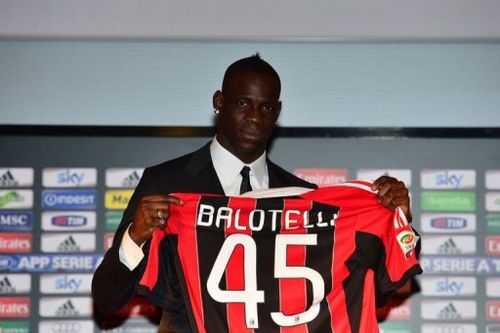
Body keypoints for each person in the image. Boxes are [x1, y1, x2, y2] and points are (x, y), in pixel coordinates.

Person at [92, 54, 412, 333]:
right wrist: (135, 238)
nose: (255, 117)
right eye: (243, 103)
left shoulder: (304, 199)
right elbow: (108, 298)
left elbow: (374, 288)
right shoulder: (167, 182)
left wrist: (397, 220)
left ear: (277, 112)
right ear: (219, 102)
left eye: (266, 107)